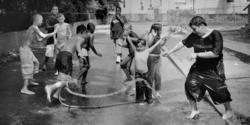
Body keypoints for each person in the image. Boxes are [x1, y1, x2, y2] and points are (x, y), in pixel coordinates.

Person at [163, 16, 233, 120]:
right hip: (199, 66)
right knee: (189, 84)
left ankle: (228, 110)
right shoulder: (195, 35)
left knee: (219, 90)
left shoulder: (215, 35)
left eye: (195, 29)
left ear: (201, 26)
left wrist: (196, 55)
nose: (193, 31)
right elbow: (182, 43)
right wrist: (169, 52)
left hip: (213, 68)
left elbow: (216, 53)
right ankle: (194, 110)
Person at [45, 24, 86, 102]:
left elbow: (59, 47)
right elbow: (78, 47)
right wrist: (81, 55)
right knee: (66, 79)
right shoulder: (80, 38)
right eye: (85, 33)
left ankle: (56, 95)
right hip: (66, 57)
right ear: (82, 32)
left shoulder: (71, 38)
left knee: (63, 78)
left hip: (60, 56)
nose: (85, 35)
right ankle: (50, 87)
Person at [126, 35, 168, 105]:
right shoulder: (135, 51)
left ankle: (149, 99)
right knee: (139, 87)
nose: (139, 48)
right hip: (138, 74)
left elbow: (155, 45)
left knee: (148, 87)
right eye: (138, 46)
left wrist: (161, 39)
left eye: (141, 46)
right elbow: (130, 42)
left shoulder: (147, 51)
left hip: (146, 73)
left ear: (145, 46)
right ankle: (140, 100)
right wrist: (127, 38)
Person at [20, 14, 56, 95]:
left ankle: (30, 80)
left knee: (36, 63)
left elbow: (40, 39)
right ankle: (24, 88)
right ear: (37, 20)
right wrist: (53, 32)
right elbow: (42, 35)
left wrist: (50, 35)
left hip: (27, 49)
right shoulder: (34, 27)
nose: (42, 22)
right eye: (41, 20)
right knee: (28, 67)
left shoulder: (34, 28)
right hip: (25, 50)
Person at [77, 23, 102, 92]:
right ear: (91, 29)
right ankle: (76, 79)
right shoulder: (91, 34)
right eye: (93, 28)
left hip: (80, 50)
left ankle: (83, 80)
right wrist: (96, 53)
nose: (94, 30)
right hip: (84, 51)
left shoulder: (84, 32)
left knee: (85, 66)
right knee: (86, 66)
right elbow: (91, 45)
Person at [144, 23, 167, 98]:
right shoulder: (150, 35)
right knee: (151, 76)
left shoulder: (158, 36)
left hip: (158, 57)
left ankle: (157, 92)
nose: (161, 31)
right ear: (155, 30)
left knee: (158, 76)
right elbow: (149, 44)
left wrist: (165, 39)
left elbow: (160, 45)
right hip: (151, 57)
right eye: (160, 30)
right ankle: (149, 93)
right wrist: (153, 35)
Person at [40, 5, 59, 71]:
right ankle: (44, 64)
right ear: (51, 10)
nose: (55, 10)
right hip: (50, 37)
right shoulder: (48, 18)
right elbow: (46, 27)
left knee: (58, 52)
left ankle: (58, 66)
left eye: (56, 9)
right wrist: (55, 26)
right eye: (54, 9)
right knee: (48, 52)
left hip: (59, 36)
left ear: (58, 10)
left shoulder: (60, 18)